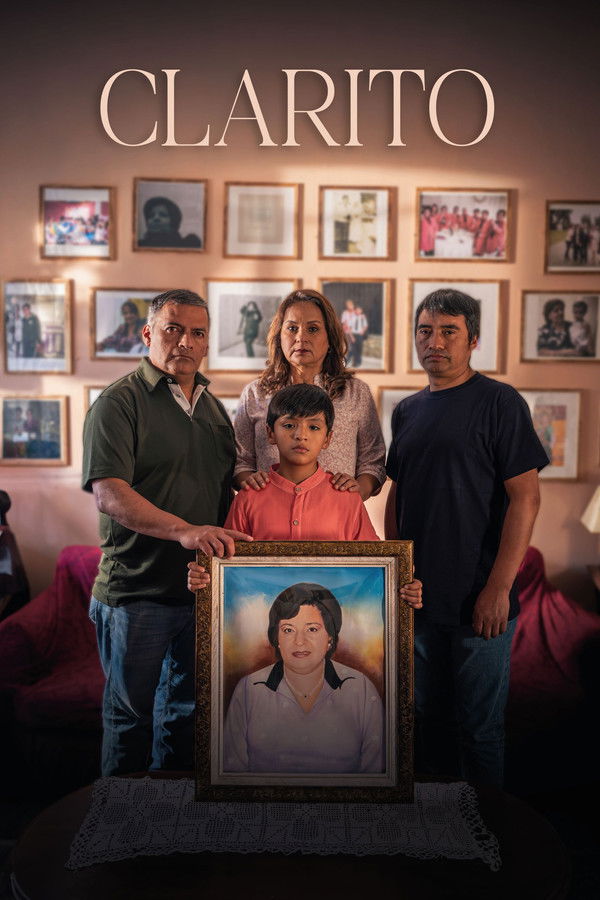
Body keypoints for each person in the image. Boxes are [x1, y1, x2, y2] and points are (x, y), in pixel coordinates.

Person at [188, 383, 422, 773]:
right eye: (289, 425)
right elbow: (227, 575)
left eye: (314, 427)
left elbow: (376, 573)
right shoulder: (248, 499)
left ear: (328, 438)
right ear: (269, 433)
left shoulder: (346, 499)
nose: (301, 435)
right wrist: (204, 578)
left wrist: (403, 588)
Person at [82, 288, 251, 776]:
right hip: (136, 595)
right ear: (147, 333)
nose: (185, 341)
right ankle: (119, 820)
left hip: (199, 593)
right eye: (173, 329)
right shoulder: (118, 403)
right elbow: (110, 494)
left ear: (207, 342)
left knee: (185, 719)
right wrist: (184, 532)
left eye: (197, 333)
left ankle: (169, 818)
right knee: (130, 720)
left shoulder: (214, 410)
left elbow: (225, 489)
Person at [385, 288, 548, 788]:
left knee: (480, 731)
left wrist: (499, 588)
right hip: (418, 600)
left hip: (480, 600)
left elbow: (526, 499)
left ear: (473, 340)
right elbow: (397, 496)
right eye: (425, 331)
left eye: (448, 331)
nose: (434, 342)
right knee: (425, 723)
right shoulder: (407, 411)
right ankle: (439, 827)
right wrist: (397, 568)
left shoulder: (500, 402)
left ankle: (487, 829)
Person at [233, 289, 386, 502]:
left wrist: (356, 493)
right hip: (269, 511)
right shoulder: (255, 393)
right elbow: (240, 461)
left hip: (336, 512)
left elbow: (373, 461)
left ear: (330, 338)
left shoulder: (355, 392)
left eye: (313, 329)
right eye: (292, 328)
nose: (301, 338)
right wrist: (251, 485)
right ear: (279, 336)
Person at [222, 583, 385, 773]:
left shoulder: (361, 689)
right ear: (276, 638)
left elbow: (377, 772)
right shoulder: (249, 688)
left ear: (330, 637)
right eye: (288, 630)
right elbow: (231, 771)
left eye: (312, 629)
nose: (299, 642)